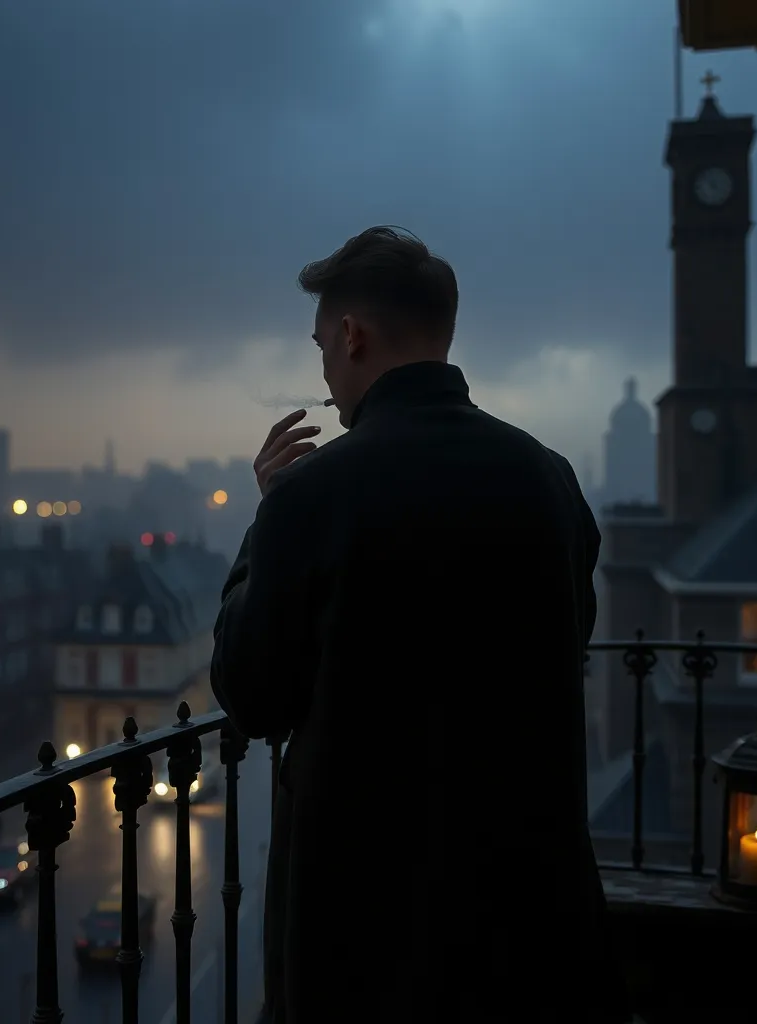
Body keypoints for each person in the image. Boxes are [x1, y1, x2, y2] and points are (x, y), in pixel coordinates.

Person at [211, 226, 630, 1024]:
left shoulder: (314, 496)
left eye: (321, 350)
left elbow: (251, 694)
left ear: (351, 334)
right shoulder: (549, 479)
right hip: (533, 923)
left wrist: (266, 522)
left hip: (366, 936)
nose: (327, 377)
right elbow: (569, 639)